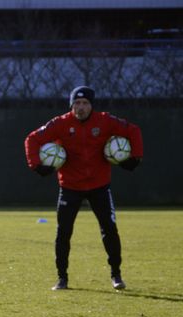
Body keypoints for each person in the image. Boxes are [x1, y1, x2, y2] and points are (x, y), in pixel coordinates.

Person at [24, 86, 143, 291]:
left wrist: (135, 158)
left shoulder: (105, 121)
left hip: (100, 186)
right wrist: (36, 165)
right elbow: (32, 139)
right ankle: (62, 278)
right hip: (70, 186)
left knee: (109, 230)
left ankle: (116, 275)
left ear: (91, 105)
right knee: (63, 232)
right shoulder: (60, 124)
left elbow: (133, 130)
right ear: (71, 105)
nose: (81, 107)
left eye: (85, 103)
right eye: (77, 103)